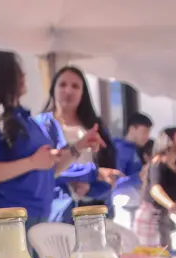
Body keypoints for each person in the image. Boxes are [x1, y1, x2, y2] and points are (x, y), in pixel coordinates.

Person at [0, 52, 105, 239]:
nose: (24, 76)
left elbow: (50, 167)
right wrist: (32, 162)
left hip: (39, 218)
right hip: (8, 223)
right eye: (18, 71)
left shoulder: (26, 120)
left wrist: (78, 147)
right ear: (3, 75)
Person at [37, 66, 121, 223]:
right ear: (53, 89)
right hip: (58, 212)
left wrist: (91, 187)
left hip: (97, 209)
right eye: (62, 85)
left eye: (75, 86)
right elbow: (43, 170)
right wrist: (87, 175)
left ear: (83, 92)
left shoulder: (95, 125)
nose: (68, 90)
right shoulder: (42, 125)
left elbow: (110, 170)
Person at [133, 128, 176, 247]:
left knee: (165, 256)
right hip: (150, 218)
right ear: (170, 140)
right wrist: (172, 205)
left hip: (162, 215)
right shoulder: (158, 162)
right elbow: (156, 190)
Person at [113, 112, 154, 228]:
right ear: (132, 129)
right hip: (123, 208)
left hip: (135, 205)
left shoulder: (136, 150)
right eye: (144, 132)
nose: (147, 136)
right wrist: (138, 177)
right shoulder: (120, 150)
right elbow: (114, 182)